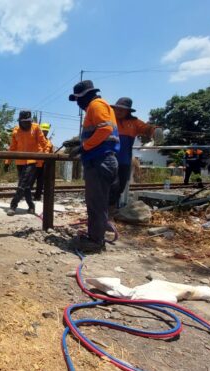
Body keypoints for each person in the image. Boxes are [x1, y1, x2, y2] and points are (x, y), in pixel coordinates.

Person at [68, 80, 120, 252]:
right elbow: (98, 132)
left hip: (100, 161)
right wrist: (77, 141)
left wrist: (83, 147)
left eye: (77, 99)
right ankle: (95, 235)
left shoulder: (95, 105)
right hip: (102, 160)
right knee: (97, 202)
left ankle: (96, 241)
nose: (77, 104)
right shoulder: (100, 106)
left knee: (96, 203)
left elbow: (104, 131)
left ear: (84, 96)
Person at [110, 97, 158, 209]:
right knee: (109, 187)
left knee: (120, 187)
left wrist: (155, 130)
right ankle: (106, 214)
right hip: (108, 160)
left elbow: (147, 129)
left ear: (128, 111)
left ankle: (111, 212)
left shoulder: (134, 123)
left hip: (124, 161)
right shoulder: (108, 120)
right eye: (117, 108)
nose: (119, 111)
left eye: (123, 109)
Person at [4, 110, 49, 216]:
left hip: (32, 161)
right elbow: (12, 148)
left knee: (22, 184)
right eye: (24, 122)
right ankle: (31, 206)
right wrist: (7, 162)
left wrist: (46, 155)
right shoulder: (16, 131)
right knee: (26, 186)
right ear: (20, 121)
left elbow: (44, 143)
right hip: (20, 162)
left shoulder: (36, 128)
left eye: (28, 121)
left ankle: (13, 205)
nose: (27, 123)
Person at [32, 123, 53, 201]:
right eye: (43, 131)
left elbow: (51, 153)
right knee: (30, 181)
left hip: (43, 165)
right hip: (34, 164)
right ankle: (27, 196)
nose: (44, 132)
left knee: (40, 182)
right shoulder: (35, 141)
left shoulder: (49, 142)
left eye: (46, 131)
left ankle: (37, 197)